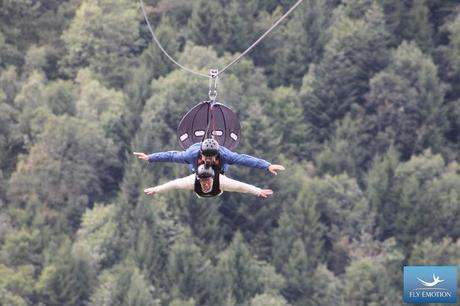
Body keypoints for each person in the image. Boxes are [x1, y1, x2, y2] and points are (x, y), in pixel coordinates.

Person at [134, 138, 285, 175]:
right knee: (197, 172)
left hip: (220, 168)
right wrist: (150, 157)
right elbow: (172, 156)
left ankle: (219, 173)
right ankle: (197, 174)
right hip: (195, 162)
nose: (208, 160)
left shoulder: (225, 155)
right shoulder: (192, 154)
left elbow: (245, 159)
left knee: (220, 171)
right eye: (207, 157)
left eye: (211, 158)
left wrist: (267, 165)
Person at [143, 164, 274, 198]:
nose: (205, 184)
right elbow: (174, 184)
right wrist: (157, 189)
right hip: (199, 170)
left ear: (212, 179)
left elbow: (240, 187)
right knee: (194, 165)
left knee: (222, 166)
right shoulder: (192, 181)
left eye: (207, 182)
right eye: (203, 182)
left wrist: (258, 192)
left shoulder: (220, 181)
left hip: (217, 177)